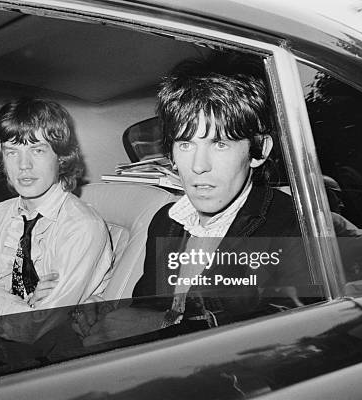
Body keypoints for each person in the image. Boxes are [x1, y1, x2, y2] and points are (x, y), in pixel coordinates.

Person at [74, 58, 315, 343]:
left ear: (259, 150)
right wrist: (104, 310)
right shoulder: (166, 221)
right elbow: (149, 307)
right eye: (186, 144)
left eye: (220, 144)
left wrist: (163, 323)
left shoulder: (292, 227)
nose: (199, 166)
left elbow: (294, 338)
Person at [0, 98, 113, 320]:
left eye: (37, 150)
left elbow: (40, 325)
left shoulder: (83, 226)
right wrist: (25, 303)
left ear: (61, 157)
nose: (24, 165)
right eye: (12, 152)